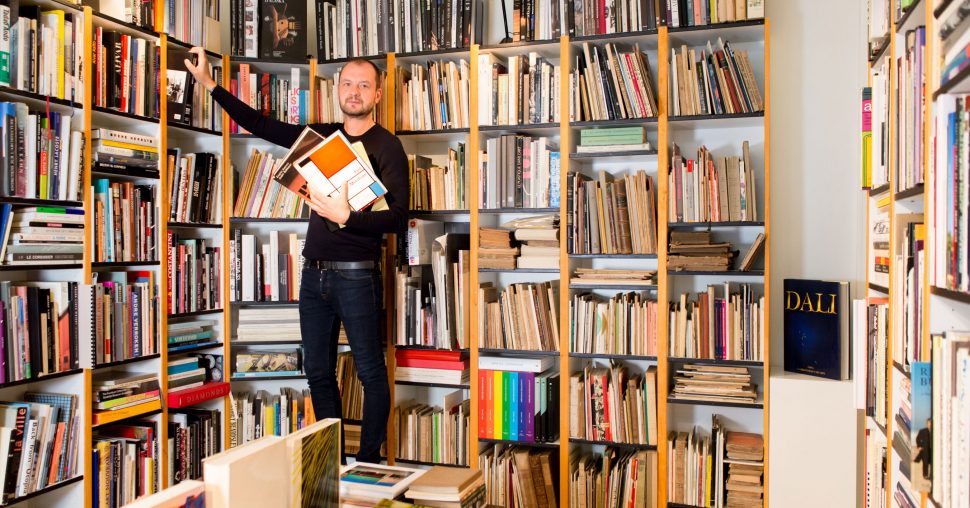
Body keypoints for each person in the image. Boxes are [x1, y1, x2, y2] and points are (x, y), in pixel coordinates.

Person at [184, 47, 408, 463]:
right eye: (347, 83)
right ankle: (334, 463)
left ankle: (371, 461)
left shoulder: (387, 146)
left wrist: (348, 216)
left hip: (358, 275)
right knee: (319, 374)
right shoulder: (321, 137)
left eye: (363, 85)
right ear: (337, 90)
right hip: (313, 276)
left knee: (370, 372)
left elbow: (397, 219)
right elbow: (261, 124)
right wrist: (209, 85)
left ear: (377, 94)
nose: (353, 92)